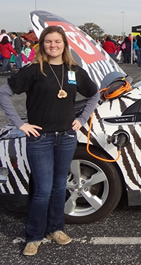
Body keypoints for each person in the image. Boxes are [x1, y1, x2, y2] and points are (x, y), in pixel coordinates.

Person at [0, 25, 99, 256]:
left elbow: (94, 93)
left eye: (57, 41)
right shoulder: (34, 70)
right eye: (48, 42)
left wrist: (82, 118)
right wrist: (19, 123)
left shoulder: (74, 70)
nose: (53, 45)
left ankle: (55, 228)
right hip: (40, 139)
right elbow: (4, 94)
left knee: (58, 186)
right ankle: (34, 235)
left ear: (64, 45)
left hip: (66, 137)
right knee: (43, 190)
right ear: (42, 44)